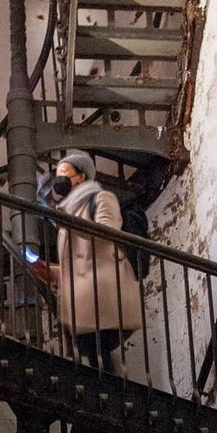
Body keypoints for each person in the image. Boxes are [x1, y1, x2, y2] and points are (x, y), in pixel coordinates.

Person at [36, 150, 143, 372]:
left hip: (102, 291)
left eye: (64, 173)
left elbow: (107, 233)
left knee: (98, 350)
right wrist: (51, 271)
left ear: (82, 177)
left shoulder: (101, 199)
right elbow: (76, 264)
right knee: (94, 355)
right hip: (81, 297)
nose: (59, 179)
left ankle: (113, 395)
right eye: (58, 174)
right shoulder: (67, 216)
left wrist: (67, 221)